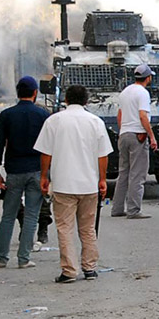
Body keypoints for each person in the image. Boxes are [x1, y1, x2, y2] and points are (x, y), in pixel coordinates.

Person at [35, 85, 113, 283]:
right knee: (87, 229)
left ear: (66, 100)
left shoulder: (54, 121)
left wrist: (44, 176)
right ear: (86, 101)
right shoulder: (96, 122)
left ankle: (69, 270)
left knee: (65, 228)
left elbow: (46, 153)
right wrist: (102, 179)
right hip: (89, 185)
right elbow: (102, 155)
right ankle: (90, 268)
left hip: (63, 185)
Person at [0, 76, 50, 269]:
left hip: (14, 171)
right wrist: (47, 174)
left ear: (18, 93)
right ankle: (24, 258)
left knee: (8, 215)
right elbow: (48, 147)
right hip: (36, 170)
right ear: (35, 93)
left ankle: (1, 258)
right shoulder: (43, 115)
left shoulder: (7, 115)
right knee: (32, 215)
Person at [110, 64, 158, 220]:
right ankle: (133, 210)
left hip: (123, 134)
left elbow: (120, 114)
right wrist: (151, 136)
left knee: (123, 172)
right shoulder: (143, 93)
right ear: (148, 77)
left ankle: (117, 208)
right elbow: (143, 115)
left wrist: (122, 130)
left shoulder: (125, 92)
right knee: (138, 174)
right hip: (138, 135)